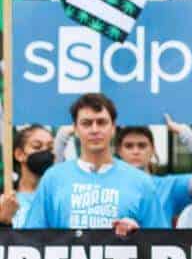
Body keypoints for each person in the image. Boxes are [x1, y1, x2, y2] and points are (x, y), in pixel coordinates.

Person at [23, 93, 167, 234]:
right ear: (75, 129)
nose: (95, 130)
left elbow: (160, 241)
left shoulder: (141, 182)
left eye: (101, 122)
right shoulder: (53, 178)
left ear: (113, 128)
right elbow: (31, 239)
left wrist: (138, 235)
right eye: (86, 123)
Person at [57, 114, 192, 224]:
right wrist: (62, 136)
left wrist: (184, 132)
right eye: (129, 146)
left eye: (142, 146)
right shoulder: (102, 185)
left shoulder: (169, 186)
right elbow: (58, 180)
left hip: (154, 256)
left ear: (152, 150)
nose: (135, 151)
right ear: (119, 151)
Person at [8, 125, 55, 228]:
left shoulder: (59, 197)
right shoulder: (7, 199)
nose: (45, 152)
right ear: (19, 154)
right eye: (37, 147)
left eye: (50, 148)